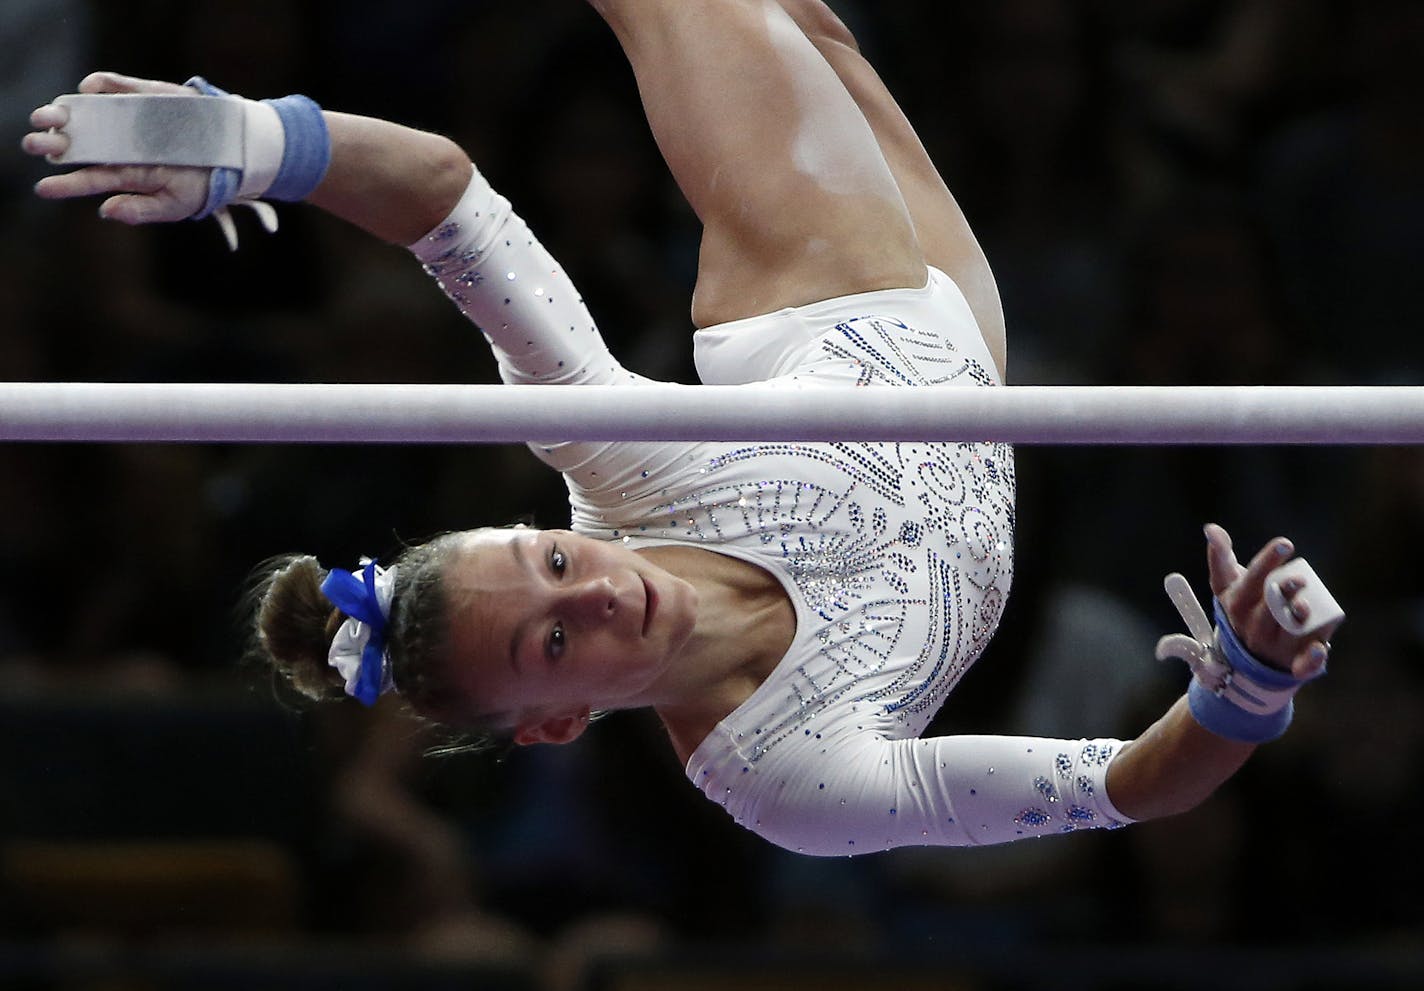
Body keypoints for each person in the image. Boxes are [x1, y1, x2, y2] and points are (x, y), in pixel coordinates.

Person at [21, 0, 1338, 856]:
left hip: (824, 268)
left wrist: (254, 141)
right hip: (963, 350)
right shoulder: (791, 779)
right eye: (552, 644)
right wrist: (1248, 683)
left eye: (551, 564)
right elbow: (1134, 784)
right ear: (555, 723)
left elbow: (438, 194)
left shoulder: (620, 456)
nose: (598, 593)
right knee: (809, 20)